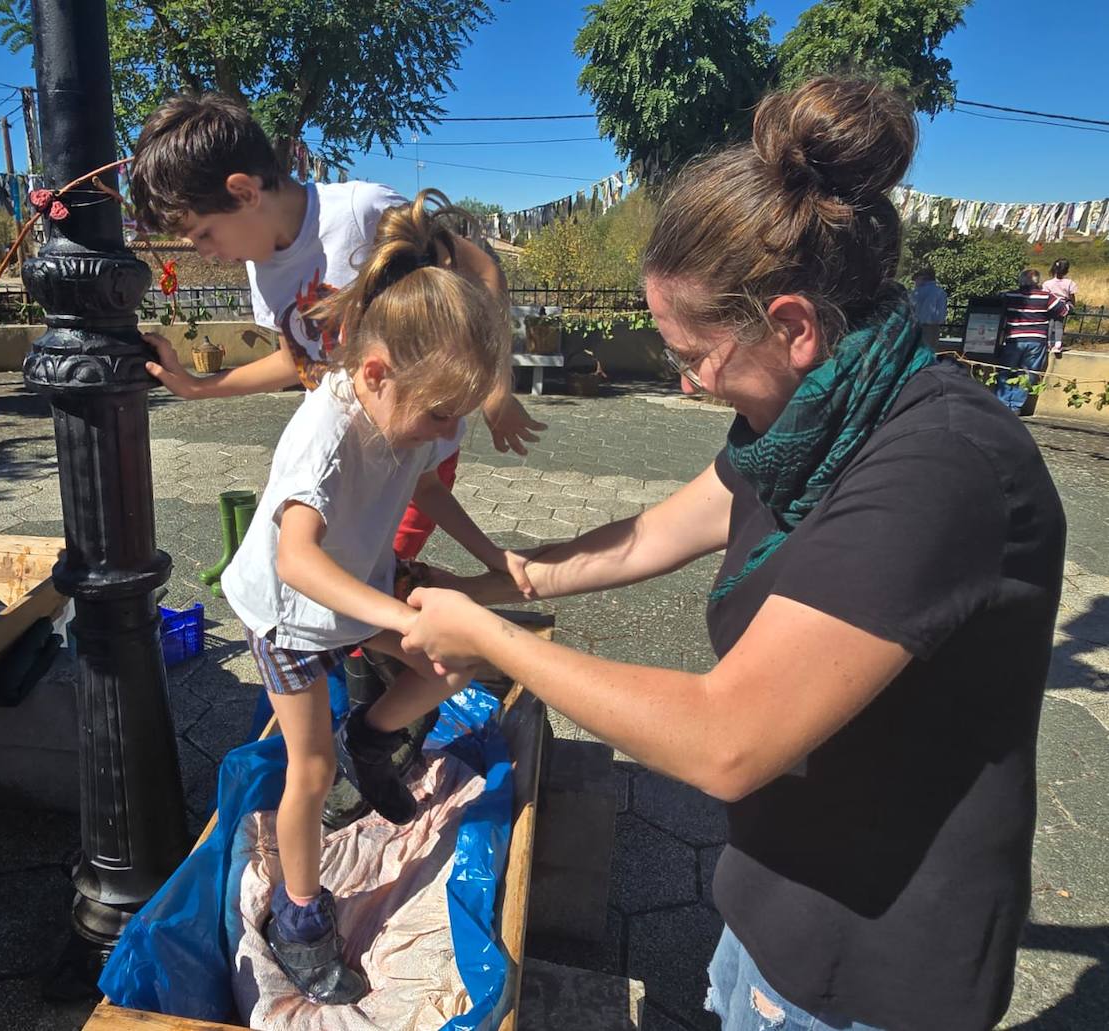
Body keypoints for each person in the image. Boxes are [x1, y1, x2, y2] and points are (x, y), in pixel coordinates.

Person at [403, 77, 1065, 1031]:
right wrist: (500, 578)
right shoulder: (807, 425)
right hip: (774, 893)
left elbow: (726, 739)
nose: (683, 377)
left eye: (695, 351)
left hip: (869, 955)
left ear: (792, 325)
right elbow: (662, 530)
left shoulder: (937, 469)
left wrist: (493, 639)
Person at [212, 192, 529, 1003]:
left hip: (363, 586)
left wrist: (496, 556)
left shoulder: (420, 405)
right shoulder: (326, 428)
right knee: (308, 771)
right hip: (288, 611)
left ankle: (377, 734)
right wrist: (401, 616)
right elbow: (296, 560)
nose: (439, 432)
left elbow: (431, 482)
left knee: (469, 652)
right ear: (377, 372)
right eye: (435, 415)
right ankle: (300, 914)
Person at [125, 92, 546, 566]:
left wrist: (495, 389)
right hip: (342, 458)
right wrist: (200, 389)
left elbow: (484, 270)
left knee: (372, 583)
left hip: (417, 447)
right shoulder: (259, 264)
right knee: (350, 588)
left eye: (203, 234)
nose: (204, 252)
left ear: (243, 192)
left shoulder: (360, 211)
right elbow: (297, 361)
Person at [998, 267, 1070, 413]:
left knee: (1005, 371)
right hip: (1036, 340)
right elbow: (1064, 311)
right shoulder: (1046, 296)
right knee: (1028, 374)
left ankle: (1002, 404)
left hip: (1013, 339)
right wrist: (1069, 302)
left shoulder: (1010, 295)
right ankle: (1016, 407)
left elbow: (997, 304)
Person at [1042, 258, 1077, 354]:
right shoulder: (1069, 283)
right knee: (1059, 325)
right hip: (1063, 306)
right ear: (1066, 270)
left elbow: (1045, 296)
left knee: (1049, 325)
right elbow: (1072, 296)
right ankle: (1058, 345)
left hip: (1050, 306)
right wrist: (1073, 306)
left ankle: (1047, 343)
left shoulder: (1047, 283)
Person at [909, 266, 947, 349]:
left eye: (916, 280)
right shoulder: (940, 292)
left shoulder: (916, 292)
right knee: (931, 350)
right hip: (934, 327)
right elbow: (941, 313)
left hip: (918, 326)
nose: (915, 283)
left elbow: (910, 309)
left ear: (923, 278)